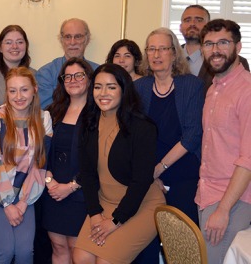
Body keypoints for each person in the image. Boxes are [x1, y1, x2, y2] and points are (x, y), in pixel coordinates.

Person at [73, 64, 165, 264]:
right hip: (104, 202)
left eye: (111, 87)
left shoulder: (143, 128)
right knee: (81, 257)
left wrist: (115, 221)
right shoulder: (89, 123)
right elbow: (87, 175)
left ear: (124, 90)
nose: (103, 93)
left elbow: (140, 182)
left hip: (141, 205)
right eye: (98, 87)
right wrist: (95, 214)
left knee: (105, 261)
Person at [0, 67, 52, 263]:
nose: (18, 96)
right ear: (6, 93)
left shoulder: (44, 119)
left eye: (24, 90)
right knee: (5, 249)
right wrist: (8, 204)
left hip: (25, 192)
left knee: (26, 251)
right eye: (12, 91)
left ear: (34, 89)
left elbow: (39, 166)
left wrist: (24, 202)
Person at [196, 19, 251, 264]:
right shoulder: (213, 88)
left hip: (232, 200)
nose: (215, 50)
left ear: (238, 47)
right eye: (209, 44)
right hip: (207, 193)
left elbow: (248, 159)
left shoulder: (247, 90)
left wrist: (223, 210)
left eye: (223, 43)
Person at [135, 28, 203, 225]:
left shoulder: (191, 85)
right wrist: (149, 173)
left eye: (163, 49)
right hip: (148, 173)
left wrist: (159, 168)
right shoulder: (140, 87)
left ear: (174, 53)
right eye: (151, 49)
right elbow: (135, 136)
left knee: (180, 240)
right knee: (145, 238)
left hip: (183, 171)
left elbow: (192, 136)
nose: (156, 55)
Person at [41, 58, 93, 264]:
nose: (73, 80)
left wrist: (71, 187)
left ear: (89, 79)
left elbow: (97, 159)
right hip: (53, 191)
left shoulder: (97, 114)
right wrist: (49, 180)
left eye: (79, 75)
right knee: (59, 246)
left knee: (77, 250)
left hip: (81, 192)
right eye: (68, 76)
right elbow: (43, 152)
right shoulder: (54, 111)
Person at [179, 4, 249, 90]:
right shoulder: (168, 59)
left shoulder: (237, 62)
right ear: (180, 27)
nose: (192, 24)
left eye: (199, 20)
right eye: (187, 20)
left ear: (208, 25)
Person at [36, 18, 99, 109]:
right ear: (61, 40)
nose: (72, 42)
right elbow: (46, 111)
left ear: (87, 39)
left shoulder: (98, 72)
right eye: (68, 37)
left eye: (78, 36)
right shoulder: (46, 73)